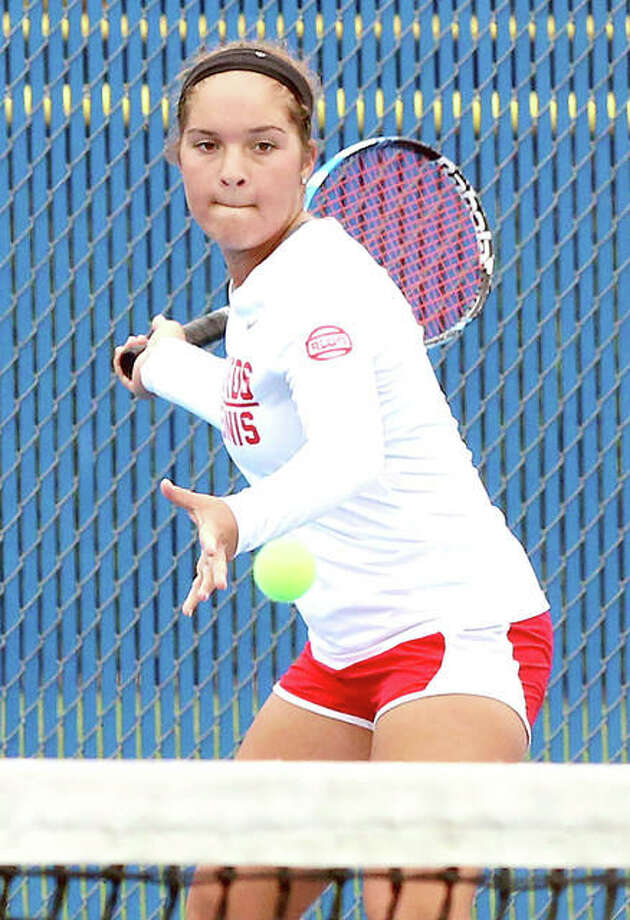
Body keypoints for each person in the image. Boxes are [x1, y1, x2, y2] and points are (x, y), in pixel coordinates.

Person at [113, 40, 554, 920]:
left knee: (410, 901)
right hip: (345, 648)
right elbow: (257, 406)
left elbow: (350, 455)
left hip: (454, 633)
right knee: (226, 903)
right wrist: (161, 366)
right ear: (179, 157)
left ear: (309, 160)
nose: (232, 171)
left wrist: (237, 516)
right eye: (206, 145)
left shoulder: (322, 290)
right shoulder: (267, 291)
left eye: (264, 145)